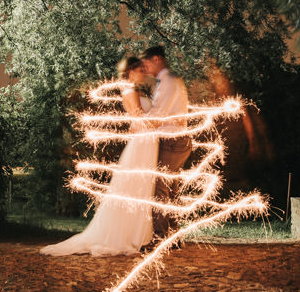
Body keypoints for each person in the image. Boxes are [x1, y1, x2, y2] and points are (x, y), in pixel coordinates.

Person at [41, 57, 157, 257]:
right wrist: (161, 120)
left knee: (141, 189)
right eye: (140, 70)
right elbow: (139, 120)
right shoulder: (130, 91)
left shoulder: (136, 91)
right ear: (130, 72)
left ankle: (136, 235)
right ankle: (123, 236)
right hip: (142, 145)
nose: (144, 73)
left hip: (146, 144)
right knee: (134, 189)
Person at [141, 45, 191, 242]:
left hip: (172, 141)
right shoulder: (168, 81)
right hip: (174, 140)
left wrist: (140, 118)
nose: (145, 69)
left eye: (146, 63)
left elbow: (159, 114)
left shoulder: (169, 81)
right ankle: (173, 237)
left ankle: (161, 237)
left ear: (156, 59)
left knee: (160, 188)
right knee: (171, 190)